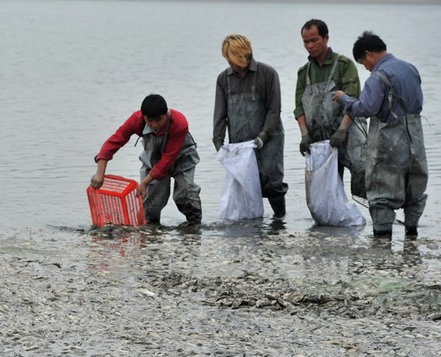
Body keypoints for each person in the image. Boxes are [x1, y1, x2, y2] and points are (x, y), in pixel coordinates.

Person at [332, 32, 427, 238]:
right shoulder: (410, 69)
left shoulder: (378, 76)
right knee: (414, 186)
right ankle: (412, 233)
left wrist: (344, 99)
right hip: (416, 137)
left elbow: (366, 108)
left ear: (368, 54)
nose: (366, 67)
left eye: (363, 63)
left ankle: (382, 240)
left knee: (381, 190)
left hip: (389, 140)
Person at [91, 94, 202, 225]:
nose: (154, 125)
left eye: (159, 120)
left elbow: (167, 159)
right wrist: (100, 173)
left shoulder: (179, 122)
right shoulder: (136, 120)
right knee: (151, 201)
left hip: (181, 157)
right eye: (149, 120)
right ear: (143, 116)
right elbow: (115, 141)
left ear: (166, 114)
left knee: (185, 193)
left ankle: (194, 227)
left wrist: (144, 182)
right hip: (154, 158)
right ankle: (151, 229)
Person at [213, 34, 288, 217]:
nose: (233, 66)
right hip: (240, 144)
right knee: (244, 186)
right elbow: (220, 114)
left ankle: (280, 221)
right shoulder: (224, 79)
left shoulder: (267, 74)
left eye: (236, 61)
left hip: (269, 140)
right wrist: (218, 141)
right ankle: (251, 225)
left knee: (272, 183)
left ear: (246, 55)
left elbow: (274, 110)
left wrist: (263, 137)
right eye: (230, 62)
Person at [294, 19, 366, 197]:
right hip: (320, 140)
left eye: (314, 40)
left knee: (362, 182)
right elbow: (299, 108)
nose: (310, 45)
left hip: (349, 135)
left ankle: (379, 221)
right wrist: (304, 135)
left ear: (326, 38)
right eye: (305, 42)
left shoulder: (344, 65)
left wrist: (342, 130)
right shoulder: (304, 73)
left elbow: (354, 101)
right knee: (326, 192)